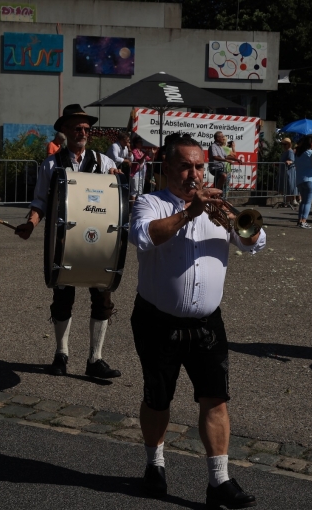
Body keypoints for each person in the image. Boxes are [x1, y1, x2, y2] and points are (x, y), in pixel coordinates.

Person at [128, 135, 265, 507]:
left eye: (199, 166)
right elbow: (143, 236)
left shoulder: (216, 207)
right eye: (186, 166)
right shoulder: (151, 203)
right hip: (157, 322)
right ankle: (154, 464)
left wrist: (233, 219)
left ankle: (219, 481)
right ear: (167, 168)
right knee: (158, 399)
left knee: (216, 400)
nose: (194, 174)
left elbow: (256, 241)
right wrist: (189, 213)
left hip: (207, 325)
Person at [15, 104, 122, 379]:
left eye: (86, 129)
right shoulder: (51, 164)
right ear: (64, 130)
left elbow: (117, 197)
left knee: (102, 297)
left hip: (98, 241)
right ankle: (61, 354)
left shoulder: (104, 163)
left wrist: (119, 182)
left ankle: (95, 359)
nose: (83, 132)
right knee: (63, 297)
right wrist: (31, 224)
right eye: (77, 128)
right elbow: (40, 201)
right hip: (64, 241)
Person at [208, 131, 238, 195]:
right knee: (224, 175)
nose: (223, 138)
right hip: (215, 168)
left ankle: (216, 195)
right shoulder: (213, 146)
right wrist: (226, 160)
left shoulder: (220, 147)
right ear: (217, 138)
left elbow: (226, 156)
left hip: (221, 169)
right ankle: (216, 192)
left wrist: (236, 159)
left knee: (220, 182)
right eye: (222, 137)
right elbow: (214, 157)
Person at [129, 135, 151, 206]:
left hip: (142, 173)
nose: (141, 144)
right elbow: (139, 161)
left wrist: (153, 154)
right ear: (136, 144)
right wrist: (145, 155)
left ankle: (138, 206)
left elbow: (150, 160)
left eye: (142, 142)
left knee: (140, 191)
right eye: (140, 142)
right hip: (135, 173)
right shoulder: (134, 151)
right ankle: (132, 208)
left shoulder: (142, 152)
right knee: (134, 191)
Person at [278, 137, 298, 207]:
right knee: (286, 186)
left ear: (289, 144)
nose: (283, 146)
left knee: (289, 185)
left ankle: (289, 201)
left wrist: (289, 162)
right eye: (283, 144)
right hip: (284, 171)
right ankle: (287, 201)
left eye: (285, 144)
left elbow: (292, 160)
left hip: (289, 171)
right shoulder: (285, 152)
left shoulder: (290, 151)